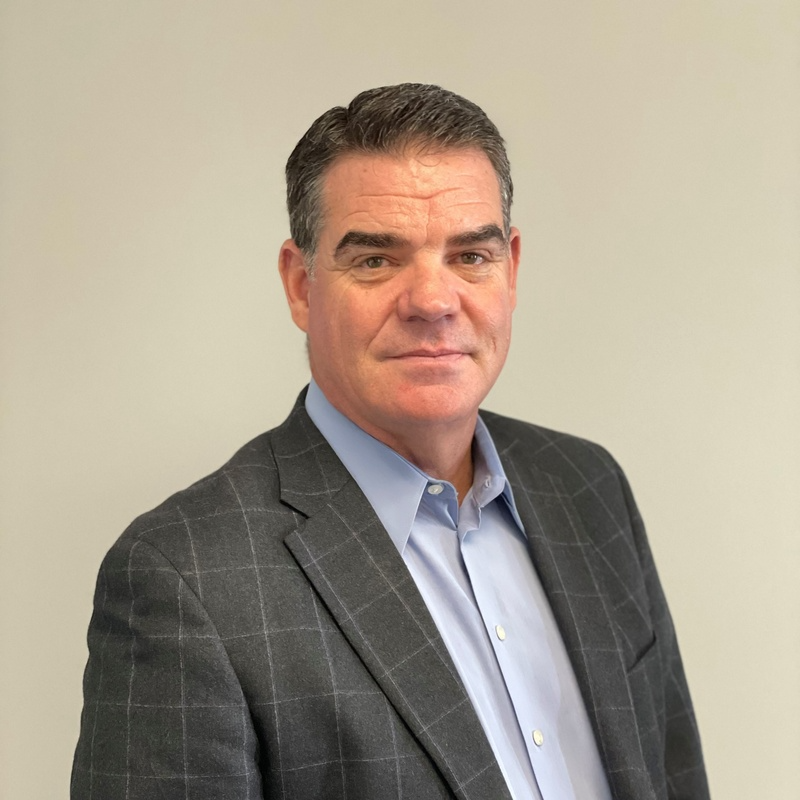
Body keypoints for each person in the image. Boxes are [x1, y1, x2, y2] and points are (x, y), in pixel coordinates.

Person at [71, 84, 709, 800]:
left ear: (512, 268)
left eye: (470, 256)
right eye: (376, 260)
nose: (433, 302)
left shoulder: (588, 488)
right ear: (300, 284)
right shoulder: (187, 579)